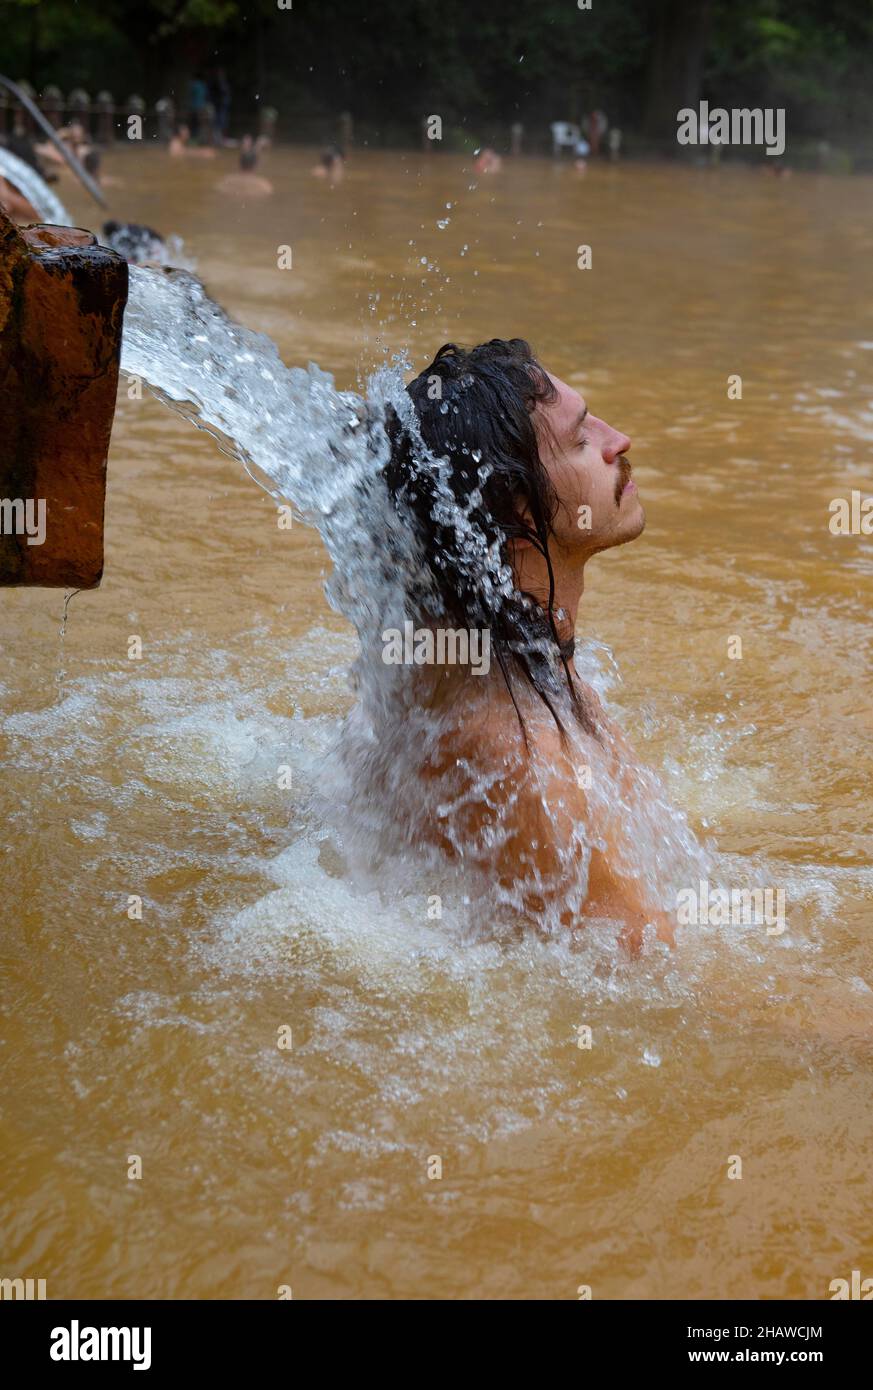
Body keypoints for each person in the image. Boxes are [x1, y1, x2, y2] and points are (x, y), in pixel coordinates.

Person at [363, 339, 676, 946]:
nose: (621, 442)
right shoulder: (520, 755)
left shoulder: (504, 658)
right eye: (584, 440)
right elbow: (645, 961)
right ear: (518, 511)